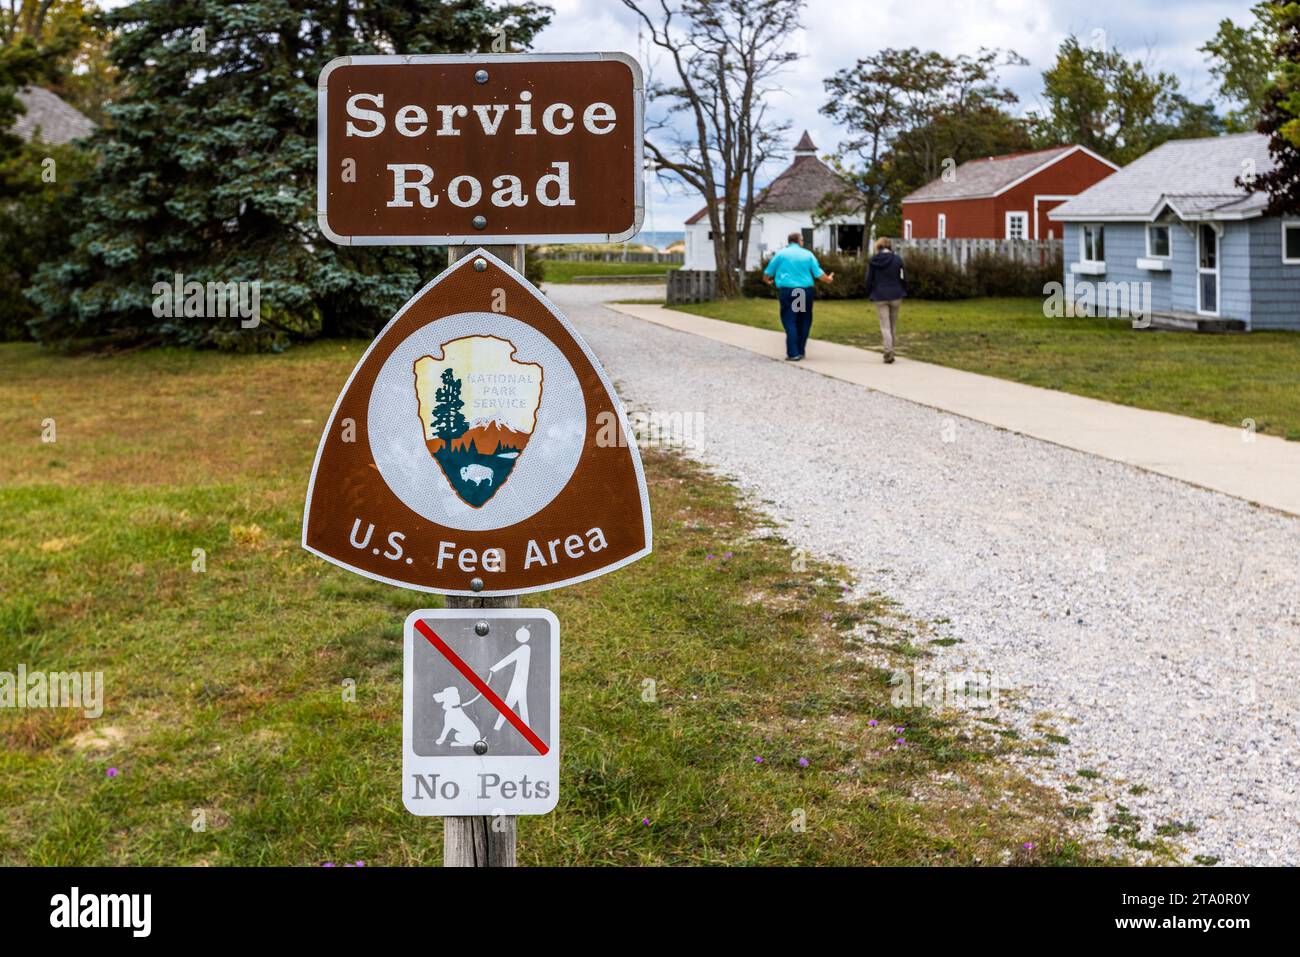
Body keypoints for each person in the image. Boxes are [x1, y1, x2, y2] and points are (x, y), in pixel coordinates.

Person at [762, 231, 835, 361]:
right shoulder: (807, 254)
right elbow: (818, 273)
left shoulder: (781, 254)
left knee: (790, 320)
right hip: (802, 291)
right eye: (802, 240)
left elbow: (768, 271)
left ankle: (793, 352)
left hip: (788, 290)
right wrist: (828, 279)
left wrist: (767, 280)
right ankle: (799, 350)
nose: (803, 242)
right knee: (802, 321)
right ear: (798, 241)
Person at [865, 237, 907, 364]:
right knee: (893, 325)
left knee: (885, 326)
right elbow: (903, 277)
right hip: (896, 294)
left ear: (878, 247)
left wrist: (869, 291)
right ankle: (891, 350)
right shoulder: (897, 260)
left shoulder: (873, 260)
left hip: (880, 295)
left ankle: (888, 351)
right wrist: (903, 289)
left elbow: (868, 279)